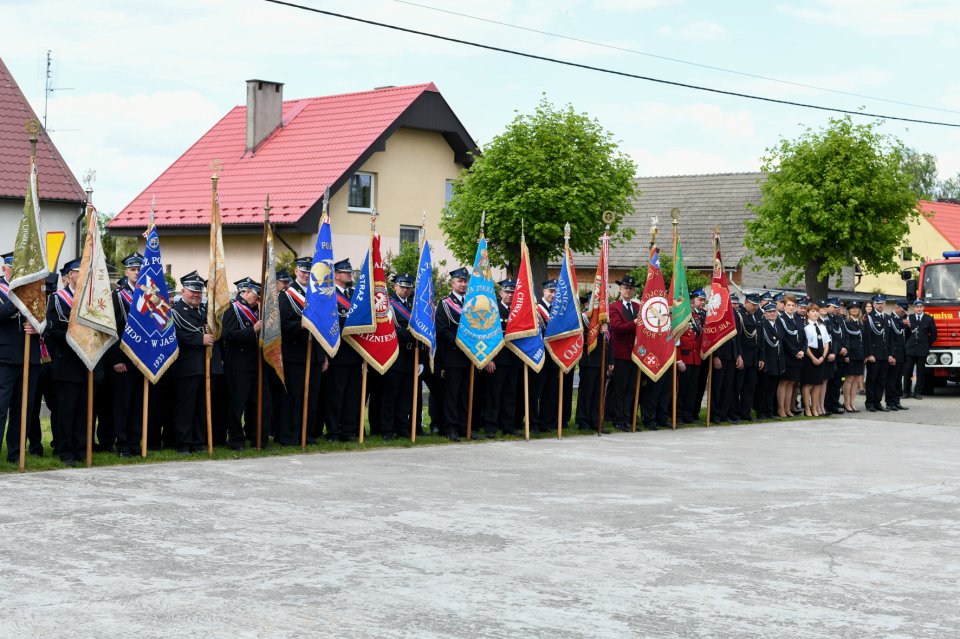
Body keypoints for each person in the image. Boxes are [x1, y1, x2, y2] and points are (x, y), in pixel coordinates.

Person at [44, 258, 102, 466]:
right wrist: (77, 337)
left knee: (84, 410)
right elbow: (53, 330)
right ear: (69, 276)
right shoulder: (57, 299)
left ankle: (81, 448)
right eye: (79, 272)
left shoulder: (92, 300)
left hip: (89, 362)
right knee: (67, 409)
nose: (83, 275)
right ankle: (65, 450)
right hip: (67, 362)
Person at [169, 271, 221, 453]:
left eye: (199, 292)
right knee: (186, 407)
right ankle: (183, 443)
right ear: (183, 291)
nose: (196, 295)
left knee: (202, 406)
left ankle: (198, 442)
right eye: (192, 291)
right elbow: (175, 335)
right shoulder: (175, 312)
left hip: (208, 366)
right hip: (187, 367)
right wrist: (199, 339)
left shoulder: (207, 310)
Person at [277, 257, 326, 446]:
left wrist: (322, 356)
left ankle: (307, 434)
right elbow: (282, 324)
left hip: (314, 354)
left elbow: (322, 326)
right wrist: (303, 325)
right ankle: (289, 436)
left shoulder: (318, 294)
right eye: (303, 271)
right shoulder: (286, 295)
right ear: (296, 271)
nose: (306, 275)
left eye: (309, 272)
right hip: (295, 354)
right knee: (293, 397)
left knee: (312, 396)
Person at [0, 251, 41, 462]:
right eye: (12, 268)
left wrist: (37, 328)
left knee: (22, 408)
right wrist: (16, 298)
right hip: (4, 359)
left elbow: (46, 320)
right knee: (1, 408)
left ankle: (16, 455)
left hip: (29, 357)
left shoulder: (34, 289)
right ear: (4, 269)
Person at [222, 277, 270, 450]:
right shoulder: (232, 309)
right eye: (256, 296)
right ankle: (235, 439)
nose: (257, 300)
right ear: (246, 292)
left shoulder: (258, 311)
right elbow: (228, 335)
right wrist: (253, 330)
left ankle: (259, 438)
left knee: (262, 404)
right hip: (238, 365)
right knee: (237, 405)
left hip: (258, 364)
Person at [107, 252, 145, 457]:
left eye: (139, 269)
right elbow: (112, 330)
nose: (137, 273)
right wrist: (115, 359)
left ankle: (134, 441)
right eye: (133, 269)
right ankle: (122, 444)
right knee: (122, 404)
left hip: (143, 358)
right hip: (123, 358)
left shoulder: (149, 294)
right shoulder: (118, 296)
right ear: (126, 272)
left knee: (138, 404)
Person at [325, 259, 362, 442]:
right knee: (335, 395)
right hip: (338, 353)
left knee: (352, 395)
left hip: (356, 352)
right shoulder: (329, 296)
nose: (349, 274)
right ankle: (333, 431)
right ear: (336, 275)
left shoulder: (355, 295)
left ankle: (349, 430)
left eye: (350, 272)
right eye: (345, 272)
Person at [435, 267, 471, 441]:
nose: (463, 284)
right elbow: (441, 330)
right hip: (452, 355)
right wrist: (459, 341)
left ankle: (464, 426)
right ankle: (451, 427)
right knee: (452, 394)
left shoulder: (472, 303)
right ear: (452, 283)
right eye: (460, 281)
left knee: (466, 393)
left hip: (470, 355)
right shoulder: (444, 304)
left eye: (465, 281)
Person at [381, 273, 416, 440]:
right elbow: (388, 328)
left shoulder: (414, 305)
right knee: (391, 394)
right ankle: (387, 429)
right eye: (402, 286)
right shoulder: (388, 305)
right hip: (395, 353)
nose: (405, 289)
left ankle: (402, 427)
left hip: (411, 354)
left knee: (406, 394)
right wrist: (408, 334)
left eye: (408, 287)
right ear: (395, 287)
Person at [575, 292, 611, 432]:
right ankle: (583, 420)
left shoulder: (604, 320)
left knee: (598, 393)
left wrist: (610, 360)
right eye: (592, 304)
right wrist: (596, 332)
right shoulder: (583, 319)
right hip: (588, 361)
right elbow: (581, 338)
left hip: (602, 362)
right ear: (586, 305)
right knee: (587, 392)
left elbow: (609, 342)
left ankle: (596, 421)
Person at [608, 276, 639, 431]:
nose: (628, 290)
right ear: (620, 289)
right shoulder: (614, 307)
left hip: (636, 354)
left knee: (631, 389)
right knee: (620, 389)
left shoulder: (637, 307)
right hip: (621, 354)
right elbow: (617, 328)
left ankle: (627, 418)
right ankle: (618, 419)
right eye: (625, 287)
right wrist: (634, 323)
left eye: (631, 288)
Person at [676, 293, 703, 424]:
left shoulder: (696, 317)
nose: (691, 306)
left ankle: (688, 415)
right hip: (684, 359)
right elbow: (676, 340)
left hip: (695, 359)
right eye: (690, 304)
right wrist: (678, 359)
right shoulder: (679, 318)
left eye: (692, 304)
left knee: (693, 390)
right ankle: (678, 415)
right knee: (682, 390)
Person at [776, 295, 804, 418]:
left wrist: (802, 350)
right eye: (789, 305)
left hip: (798, 356)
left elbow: (803, 338)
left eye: (793, 305)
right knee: (784, 382)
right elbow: (783, 339)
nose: (791, 307)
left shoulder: (797, 319)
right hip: (787, 356)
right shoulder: (781, 319)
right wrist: (795, 352)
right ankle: (781, 409)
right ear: (784, 306)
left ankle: (788, 408)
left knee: (792, 383)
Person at [903, 299, 937, 399]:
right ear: (914, 308)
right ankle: (906, 391)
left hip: (922, 349)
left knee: (921, 372)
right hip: (910, 348)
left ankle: (918, 392)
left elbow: (934, 334)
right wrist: (907, 344)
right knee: (908, 370)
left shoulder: (929, 318)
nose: (919, 309)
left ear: (923, 308)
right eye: (917, 307)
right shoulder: (909, 317)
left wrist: (927, 344)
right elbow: (906, 334)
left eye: (921, 307)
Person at [734, 293, 761, 421]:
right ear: (746, 302)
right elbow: (738, 337)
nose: (755, 307)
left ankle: (746, 412)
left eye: (757, 305)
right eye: (753, 304)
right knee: (738, 386)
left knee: (750, 387)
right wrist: (739, 355)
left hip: (753, 358)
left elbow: (758, 339)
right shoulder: (739, 315)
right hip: (743, 356)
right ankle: (734, 412)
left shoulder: (755, 316)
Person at [801, 304, 830, 416]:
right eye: (812, 311)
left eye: (817, 311)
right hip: (809, 355)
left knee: (818, 383)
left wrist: (823, 356)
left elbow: (827, 343)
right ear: (807, 313)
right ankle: (807, 408)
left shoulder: (822, 326)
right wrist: (813, 358)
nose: (815, 313)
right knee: (807, 383)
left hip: (821, 355)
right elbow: (805, 344)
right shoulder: (805, 327)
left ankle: (815, 408)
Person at [862, 294, 889, 412]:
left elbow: (889, 338)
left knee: (882, 380)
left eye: (882, 303)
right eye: (878, 303)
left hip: (884, 353)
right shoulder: (868, 317)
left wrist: (890, 354)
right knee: (872, 379)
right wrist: (869, 354)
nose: (880, 305)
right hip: (874, 353)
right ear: (873, 305)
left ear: (885, 304)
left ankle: (878, 402)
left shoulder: (887, 318)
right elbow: (867, 338)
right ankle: (870, 403)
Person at [756, 302, 783, 419]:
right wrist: (762, 359)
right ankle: (761, 411)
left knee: (772, 388)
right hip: (767, 360)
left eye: (774, 311)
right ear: (765, 313)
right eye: (769, 312)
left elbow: (780, 343)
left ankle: (769, 410)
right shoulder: (762, 325)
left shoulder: (778, 325)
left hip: (776, 361)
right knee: (763, 388)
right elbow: (761, 344)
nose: (772, 314)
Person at [822, 299, 847, 414]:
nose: (836, 309)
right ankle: (826, 405)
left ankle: (834, 403)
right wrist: (838, 350)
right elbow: (831, 339)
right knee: (829, 382)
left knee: (837, 382)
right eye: (833, 307)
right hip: (832, 354)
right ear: (827, 307)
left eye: (837, 307)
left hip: (840, 354)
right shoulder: (825, 320)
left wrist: (845, 349)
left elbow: (843, 336)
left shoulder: (839, 319)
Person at [884, 299, 909, 411]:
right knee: (891, 380)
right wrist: (891, 355)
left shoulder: (900, 320)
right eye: (902, 311)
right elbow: (889, 340)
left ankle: (896, 400)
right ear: (897, 308)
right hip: (894, 353)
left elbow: (904, 337)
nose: (904, 313)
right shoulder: (890, 320)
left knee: (898, 380)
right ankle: (890, 402)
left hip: (901, 354)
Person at [841, 304, 866, 412]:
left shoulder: (861, 323)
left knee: (856, 379)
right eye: (852, 308)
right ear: (849, 311)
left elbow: (864, 340)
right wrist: (846, 355)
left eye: (856, 308)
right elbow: (845, 339)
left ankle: (852, 402)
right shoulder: (846, 322)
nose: (855, 310)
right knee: (849, 379)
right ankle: (846, 402)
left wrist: (865, 354)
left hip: (860, 354)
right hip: (851, 354)